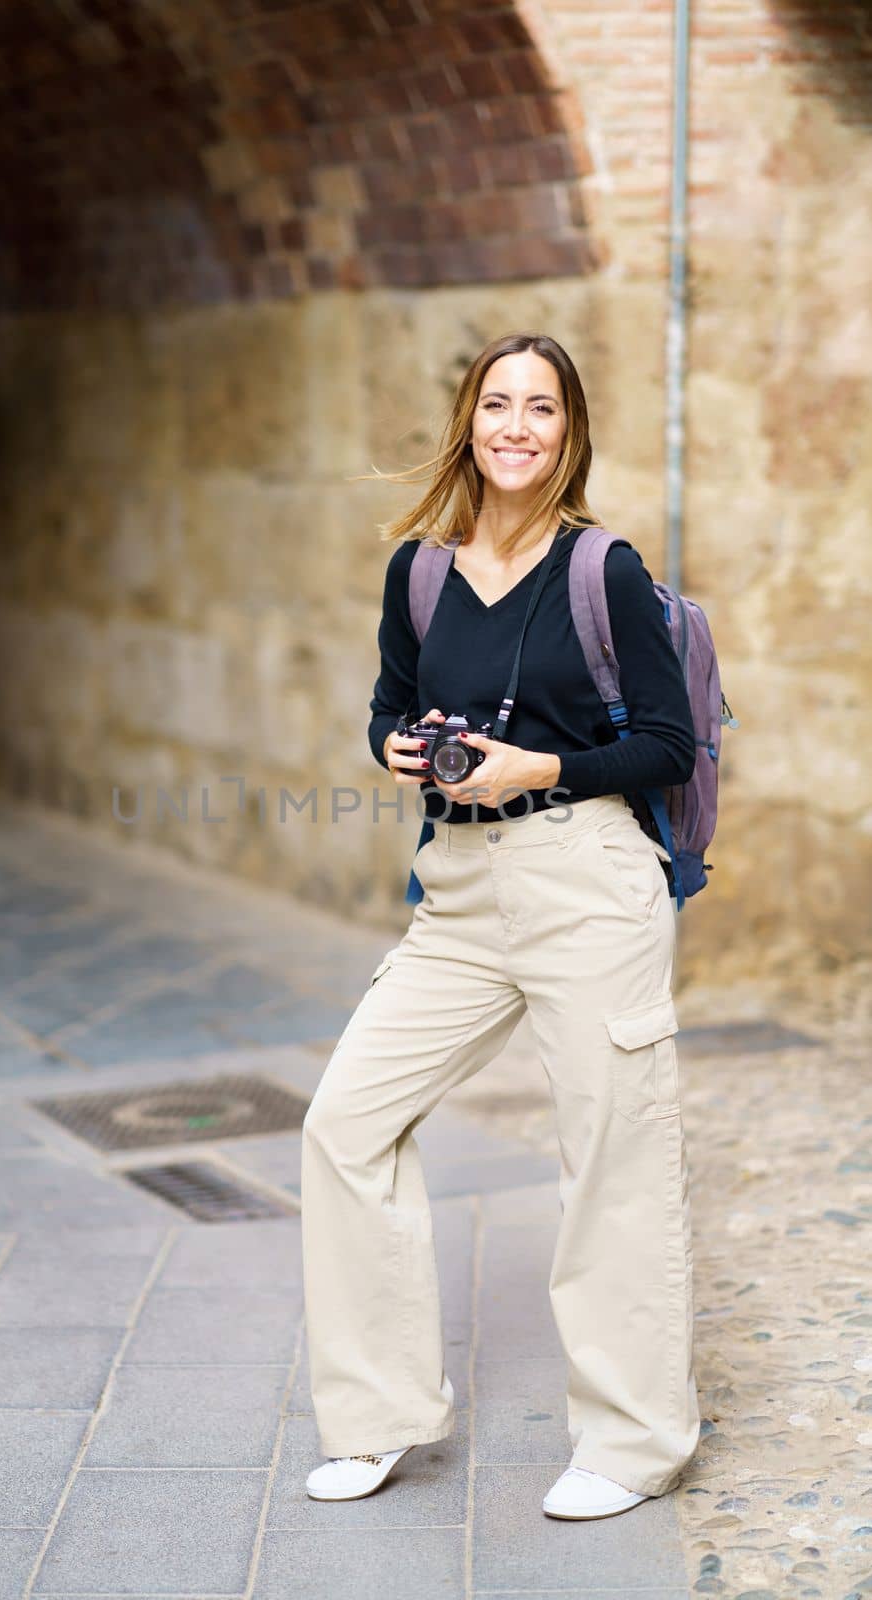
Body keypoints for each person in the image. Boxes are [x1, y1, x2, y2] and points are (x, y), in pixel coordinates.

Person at [299, 331, 701, 1520]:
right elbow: (383, 703)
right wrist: (397, 747)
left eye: (539, 407)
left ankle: (631, 1443)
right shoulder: (419, 572)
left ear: (568, 430)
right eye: (495, 404)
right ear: (465, 423)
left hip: (586, 883)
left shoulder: (602, 571)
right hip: (461, 895)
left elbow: (665, 747)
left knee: (609, 1158)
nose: (514, 426)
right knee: (343, 1124)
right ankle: (376, 1417)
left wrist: (538, 764)